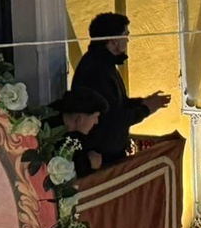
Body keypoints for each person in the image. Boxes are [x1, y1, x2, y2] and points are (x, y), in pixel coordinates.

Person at [72, 12, 171, 166]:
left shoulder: (104, 64)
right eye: (125, 35)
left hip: (108, 151)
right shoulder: (97, 69)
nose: (128, 39)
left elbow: (118, 103)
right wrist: (146, 109)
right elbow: (113, 118)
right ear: (114, 40)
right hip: (102, 156)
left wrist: (143, 102)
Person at [52, 87, 109, 177]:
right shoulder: (47, 127)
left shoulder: (83, 137)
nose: (96, 122)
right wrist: (88, 163)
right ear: (79, 119)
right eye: (95, 116)